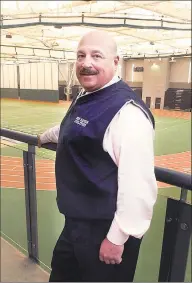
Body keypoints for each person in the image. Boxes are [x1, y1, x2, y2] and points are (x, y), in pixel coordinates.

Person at [37, 30, 157, 282]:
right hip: (77, 224)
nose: (86, 63)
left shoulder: (128, 114)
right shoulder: (90, 96)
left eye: (96, 55)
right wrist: (47, 135)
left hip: (105, 232)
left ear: (116, 62)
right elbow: (76, 127)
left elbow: (139, 187)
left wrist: (116, 238)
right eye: (81, 55)